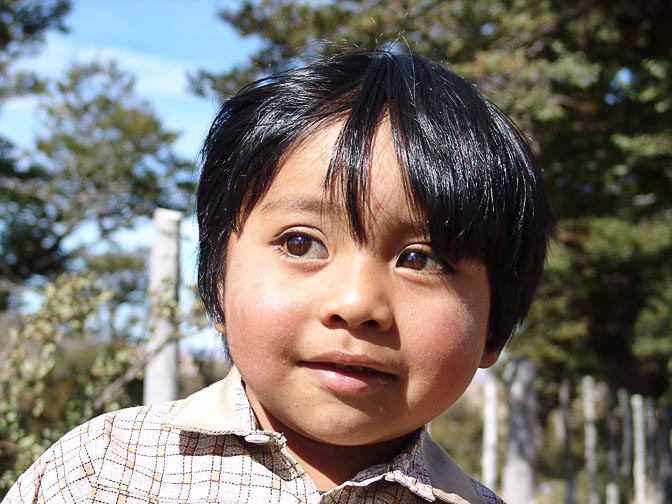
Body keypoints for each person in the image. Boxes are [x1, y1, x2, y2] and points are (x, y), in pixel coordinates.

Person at [3, 50, 553, 504]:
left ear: (495, 327)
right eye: (301, 243)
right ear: (218, 280)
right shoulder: (104, 472)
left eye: (422, 259)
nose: (357, 303)